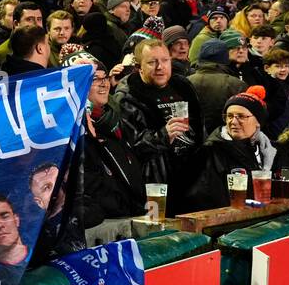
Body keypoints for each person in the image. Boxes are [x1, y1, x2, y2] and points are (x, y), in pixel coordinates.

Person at [112, 39, 202, 214]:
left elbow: (199, 127)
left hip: (192, 179)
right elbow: (130, 148)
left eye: (165, 60)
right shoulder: (127, 97)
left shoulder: (183, 86)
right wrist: (163, 135)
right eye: (152, 62)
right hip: (154, 185)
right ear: (139, 67)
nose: (160, 67)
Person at [66, 51, 146, 228]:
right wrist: (122, 206)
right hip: (111, 223)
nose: (104, 84)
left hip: (131, 214)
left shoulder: (112, 118)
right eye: (94, 79)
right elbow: (91, 184)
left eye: (105, 77)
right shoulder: (77, 131)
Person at [182, 87, 276, 212]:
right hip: (230, 224)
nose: (233, 121)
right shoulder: (209, 152)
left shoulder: (272, 150)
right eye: (229, 116)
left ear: (258, 121)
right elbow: (204, 199)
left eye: (241, 116)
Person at [188, 39, 246, 139]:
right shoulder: (237, 85)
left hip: (191, 143)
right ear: (225, 58)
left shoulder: (186, 82)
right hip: (224, 143)